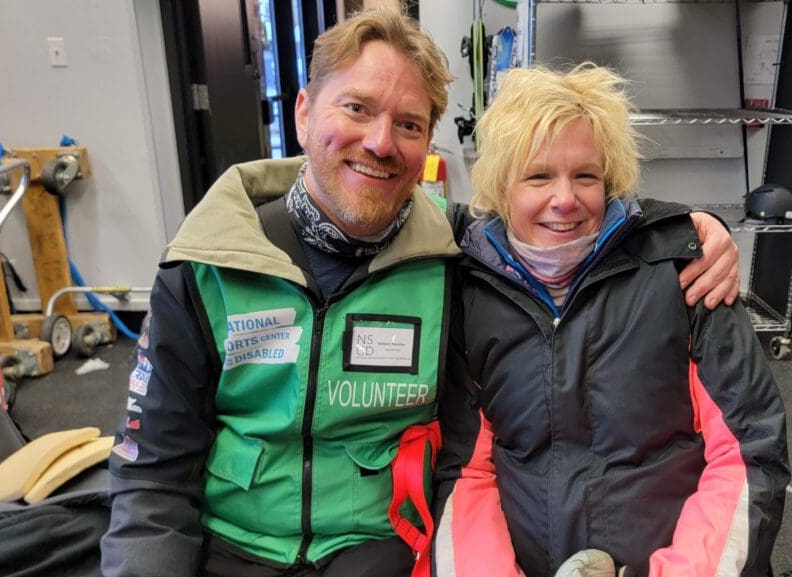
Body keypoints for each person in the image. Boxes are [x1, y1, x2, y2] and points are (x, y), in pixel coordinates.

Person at [100, 8, 740, 577]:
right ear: (302, 110)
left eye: (407, 124)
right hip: (233, 542)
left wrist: (693, 231)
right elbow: (152, 472)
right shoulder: (204, 264)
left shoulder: (456, 253)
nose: (380, 143)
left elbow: (555, 208)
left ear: (427, 143)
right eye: (356, 108)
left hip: (378, 545)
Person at [432, 64, 789, 577]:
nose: (565, 199)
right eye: (538, 175)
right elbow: (464, 469)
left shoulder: (686, 272)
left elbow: (749, 450)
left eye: (585, 176)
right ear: (502, 186)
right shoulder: (472, 289)